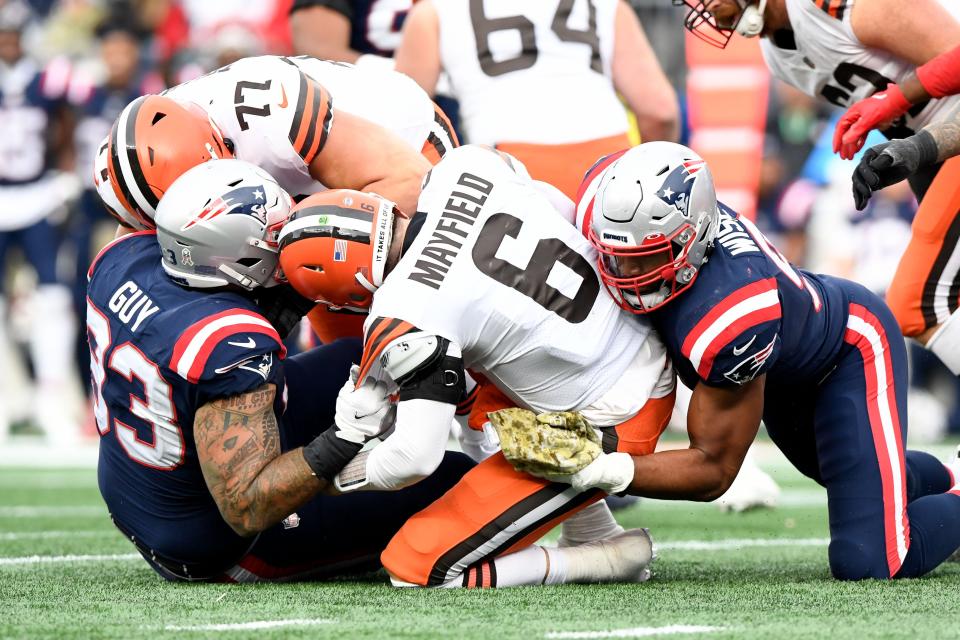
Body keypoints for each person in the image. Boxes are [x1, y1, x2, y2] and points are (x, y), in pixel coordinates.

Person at [557, 141, 960, 580]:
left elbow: (713, 468)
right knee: (860, 478)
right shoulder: (604, 196)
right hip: (781, 368)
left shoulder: (730, 315)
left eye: (647, 258)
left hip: (845, 352)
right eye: (613, 255)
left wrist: (610, 468)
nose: (625, 276)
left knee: (873, 561)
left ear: (696, 239)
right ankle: (945, 472)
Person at [276, 144, 675, 588]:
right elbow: (558, 208)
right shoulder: (462, 166)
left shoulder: (404, 309)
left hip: (615, 415)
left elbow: (413, 459)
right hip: (637, 332)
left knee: (418, 566)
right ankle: (593, 528)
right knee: (462, 373)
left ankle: (608, 560)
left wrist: (325, 479)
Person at [88, 158, 471, 581]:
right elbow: (247, 506)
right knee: (458, 479)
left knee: (364, 353)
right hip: (217, 537)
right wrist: (346, 436)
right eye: (274, 237)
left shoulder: (123, 257)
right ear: (238, 261)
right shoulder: (228, 342)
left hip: (146, 486)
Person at [672, 0, 960, 377]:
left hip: (945, 138)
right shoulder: (777, 54)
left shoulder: (832, 7)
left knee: (919, 304)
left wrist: (900, 111)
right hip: (935, 148)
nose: (708, 11)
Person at [100, 54, 459, 343]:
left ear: (221, 146)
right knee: (347, 361)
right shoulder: (134, 174)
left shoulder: (270, 117)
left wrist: (290, 286)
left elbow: (411, 181)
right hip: (303, 197)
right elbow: (128, 271)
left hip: (407, 152)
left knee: (410, 330)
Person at [394, 0, 678, 199]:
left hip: (506, 164)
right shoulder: (608, 5)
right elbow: (659, 110)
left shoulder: (432, 12)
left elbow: (401, 124)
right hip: (610, 161)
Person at [0, 0, 78, 443]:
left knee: (51, 296)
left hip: (34, 193)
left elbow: (66, 125)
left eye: (13, 35)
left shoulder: (47, 79)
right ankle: (7, 398)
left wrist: (64, 175)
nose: (8, 44)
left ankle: (52, 397)